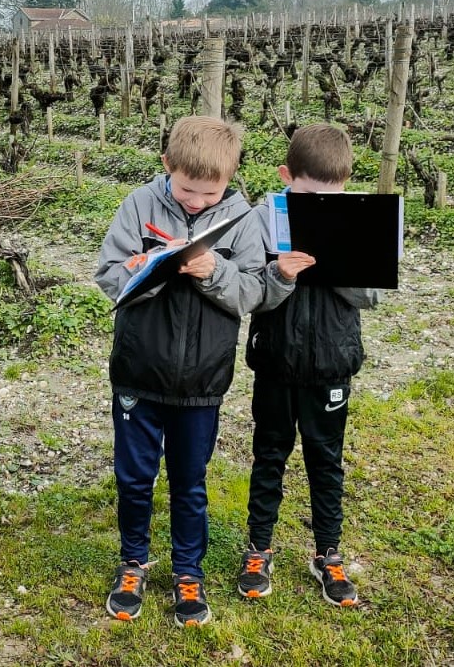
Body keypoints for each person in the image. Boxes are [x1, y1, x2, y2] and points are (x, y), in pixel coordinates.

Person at [96, 116, 312, 628]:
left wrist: (214, 272)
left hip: (203, 379)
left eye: (208, 193)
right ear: (167, 166)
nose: (196, 202)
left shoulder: (243, 219)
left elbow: (257, 293)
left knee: (190, 480)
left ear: (231, 177)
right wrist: (145, 269)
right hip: (138, 372)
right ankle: (134, 562)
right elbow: (108, 276)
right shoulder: (137, 205)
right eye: (187, 190)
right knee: (133, 478)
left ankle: (188, 572)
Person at [238, 123, 380, 607]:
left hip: (331, 364)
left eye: (331, 197)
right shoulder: (261, 217)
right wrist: (281, 272)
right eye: (308, 196)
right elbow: (249, 287)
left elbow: (372, 294)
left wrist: (334, 262)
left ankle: (328, 553)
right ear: (286, 177)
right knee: (269, 454)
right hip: (276, 361)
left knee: (326, 460)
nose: (321, 205)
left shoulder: (359, 219)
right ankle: (259, 548)